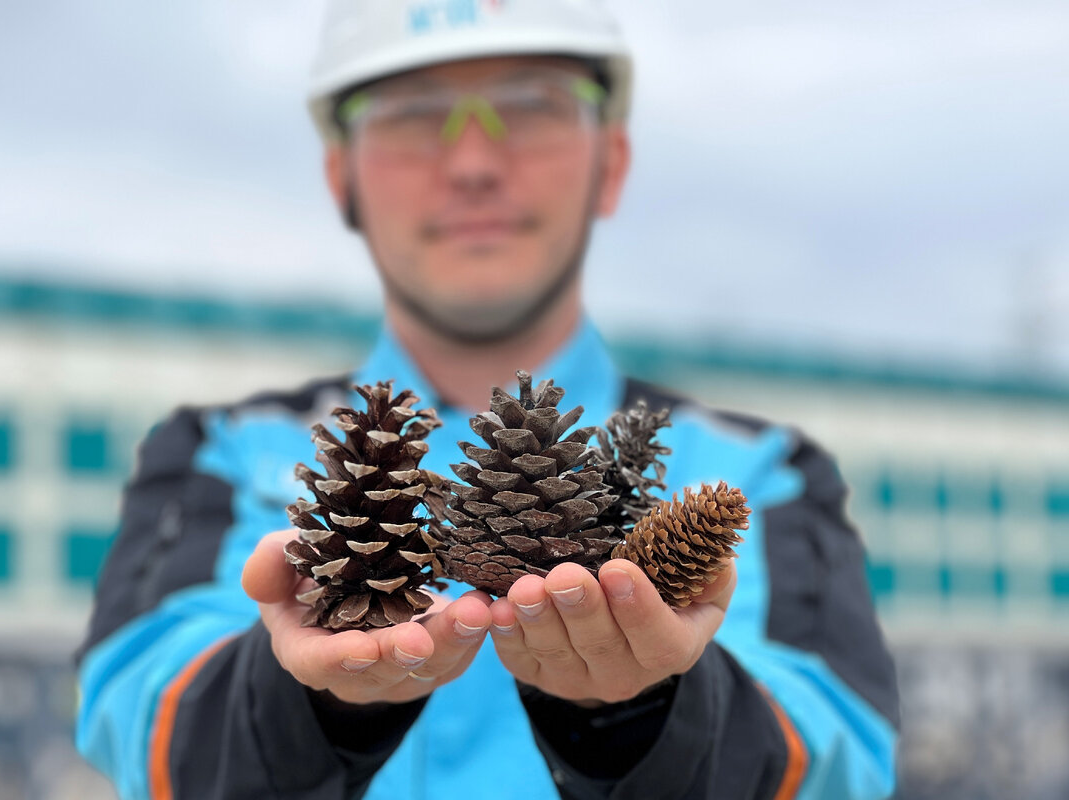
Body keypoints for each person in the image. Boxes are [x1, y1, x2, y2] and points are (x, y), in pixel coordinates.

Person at [75, 2, 900, 798]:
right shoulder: (215, 451)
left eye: (532, 106)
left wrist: (644, 713)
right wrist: (307, 701)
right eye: (412, 112)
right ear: (342, 179)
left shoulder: (768, 473)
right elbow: (141, 725)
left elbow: (839, 760)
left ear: (611, 165)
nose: (473, 162)